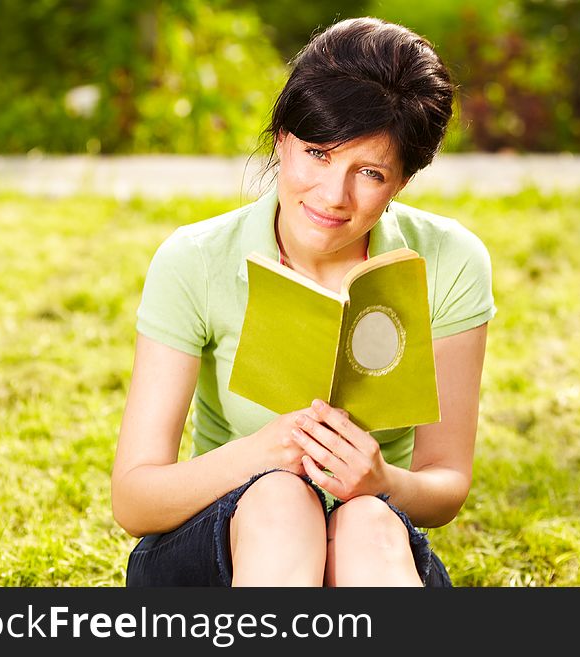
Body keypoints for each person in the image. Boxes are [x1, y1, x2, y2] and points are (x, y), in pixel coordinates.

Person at [111, 16, 496, 587]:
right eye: (317, 153)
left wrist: (383, 482)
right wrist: (263, 455)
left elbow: (445, 486)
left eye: (369, 172)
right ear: (282, 138)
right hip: (220, 547)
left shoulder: (449, 260)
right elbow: (135, 500)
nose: (333, 196)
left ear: (402, 181)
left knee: (366, 521)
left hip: (369, 541)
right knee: (283, 502)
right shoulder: (195, 259)